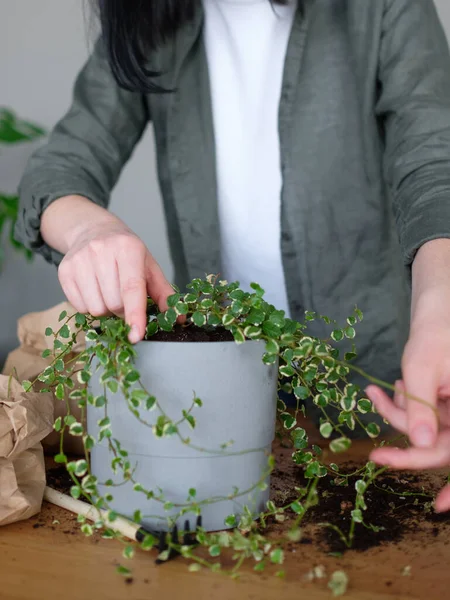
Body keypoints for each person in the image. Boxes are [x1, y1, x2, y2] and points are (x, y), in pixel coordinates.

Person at [15, 0, 450, 511]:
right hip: (217, 400)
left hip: (382, 403)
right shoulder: (152, 17)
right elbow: (61, 167)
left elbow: (432, 165)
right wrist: (90, 228)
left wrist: (440, 310)